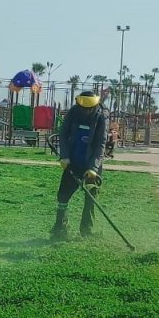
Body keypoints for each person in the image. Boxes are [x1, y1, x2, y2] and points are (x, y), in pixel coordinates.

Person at [52, 90, 108, 241]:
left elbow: (101, 144)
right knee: (63, 195)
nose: (87, 111)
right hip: (73, 162)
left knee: (90, 198)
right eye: (84, 108)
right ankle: (60, 227)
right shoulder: (73, 112)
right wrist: (64, 156)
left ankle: (86, 230)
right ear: (79, 105)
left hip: (92, 165)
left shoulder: (101, 116)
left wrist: (93, 168)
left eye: (91, 108)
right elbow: (63, 134)